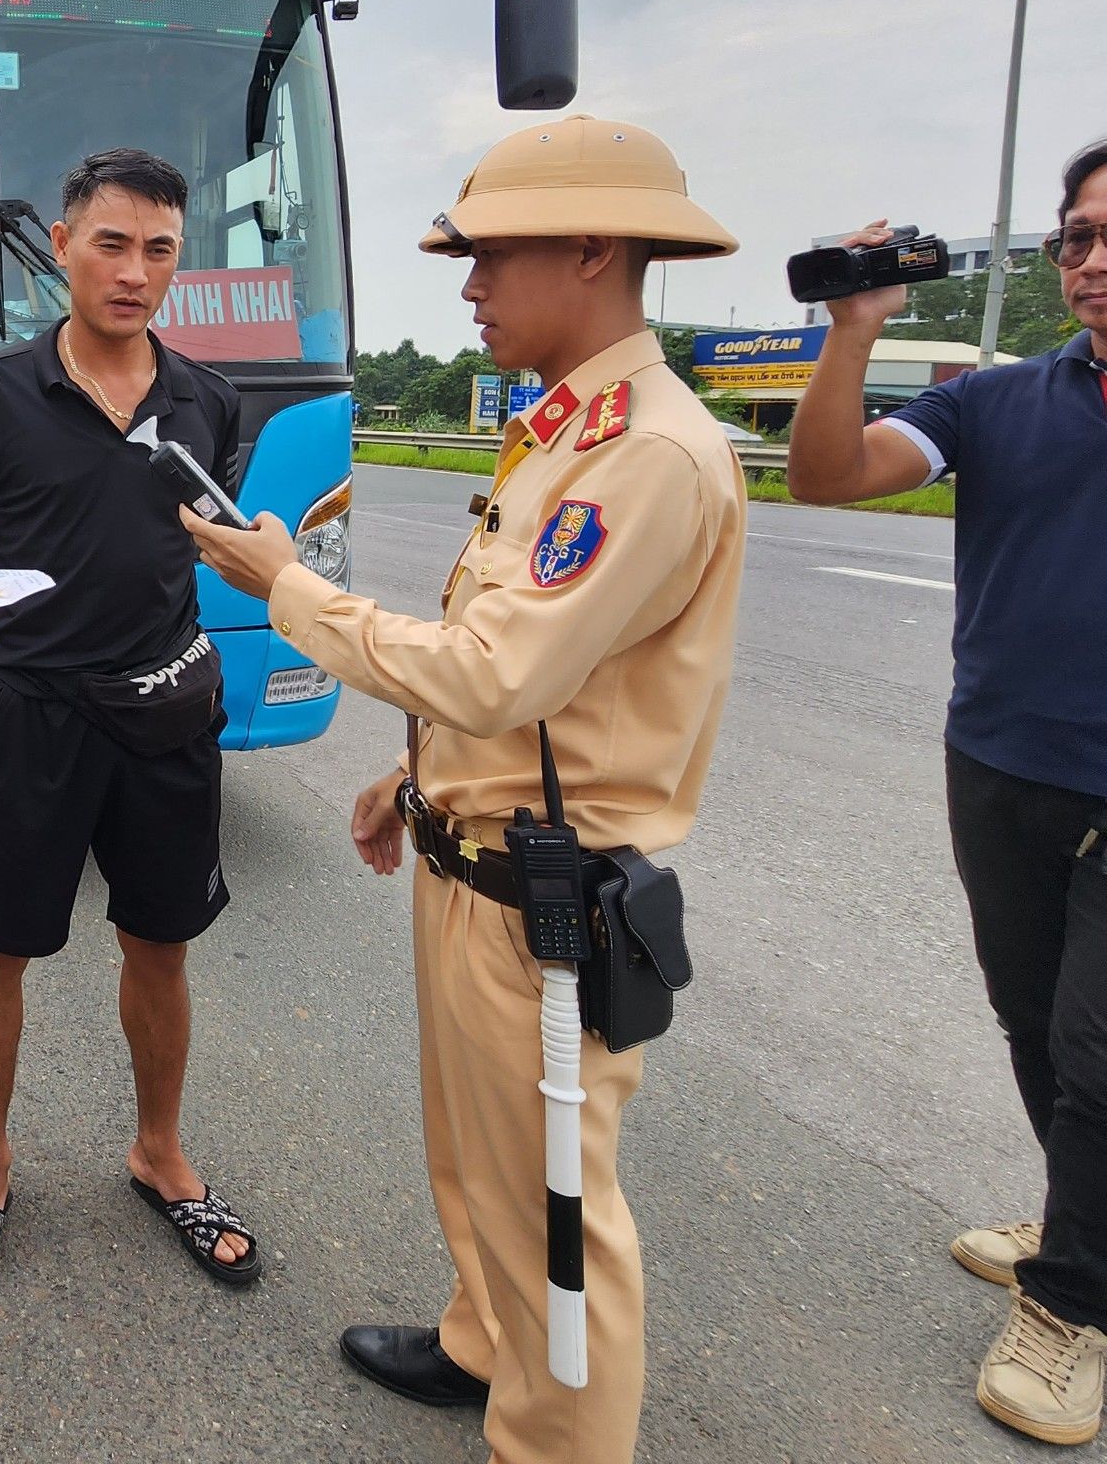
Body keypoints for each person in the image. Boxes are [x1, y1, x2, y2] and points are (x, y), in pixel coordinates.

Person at [184, 116, 745, 1464]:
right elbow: (544, 693)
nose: (470, 285)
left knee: (557, 1209)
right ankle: (481, 1346)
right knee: (480, 1165)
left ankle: (552, 1436)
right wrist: (405, 776)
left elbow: (496, 672)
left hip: (544, 901)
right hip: (480, 858)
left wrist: (289, 587)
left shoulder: (646, 454)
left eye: (490, 256)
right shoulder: (569, 429)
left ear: (595, 249)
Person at [786, 137, 1107, 1447]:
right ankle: (1083, 1209)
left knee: (1100, 1050)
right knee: (1030, 1020)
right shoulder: (996, 402)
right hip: (1001, 767)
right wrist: (852, 331)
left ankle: (1071, 1303)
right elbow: (826, 473)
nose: (1092, 259)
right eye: (1077, 236)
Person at [0, 147, 256, 1305]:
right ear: (60, 246)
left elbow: (209, 547)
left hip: (163, 713)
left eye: (159, 248)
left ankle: (158, 1151)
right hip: (26, 720)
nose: (134, 270)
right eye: (110, 243)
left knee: (159, 944)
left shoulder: (209, 401)